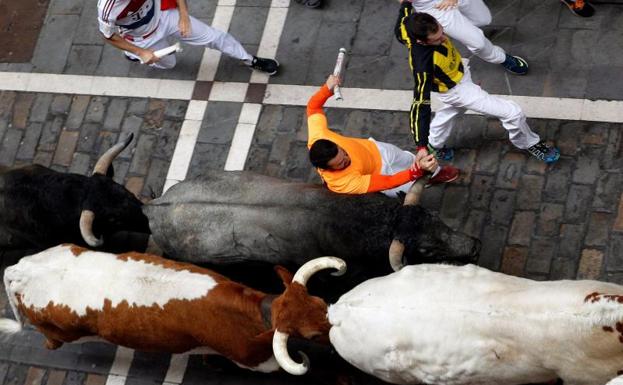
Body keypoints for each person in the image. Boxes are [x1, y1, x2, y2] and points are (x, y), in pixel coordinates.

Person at [395, 2, 560, 164]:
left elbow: (403, 15)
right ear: (422, 42)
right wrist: (420, 145)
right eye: (437, 40)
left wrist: (405, 4)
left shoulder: (408, 26)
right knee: (513, 113)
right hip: (457, 91)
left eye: (442, 30)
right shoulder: (422, 65)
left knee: (451, 111)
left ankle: (434, 145)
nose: (444, 38)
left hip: (459, 72)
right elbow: (420, 104)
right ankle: (530, 143)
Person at [307, 75, 459, 197]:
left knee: (410, 159)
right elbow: (389, 181)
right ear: (329, 169)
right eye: (341, 163)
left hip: (378, 150)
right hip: (381, 174)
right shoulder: (342, 183)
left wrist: (327, 88)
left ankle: (435, 173)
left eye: (344, 153)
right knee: (411, 186)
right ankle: (428, 178)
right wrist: (416, 172)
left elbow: (313, 107)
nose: (347, 159)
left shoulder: (318, 136)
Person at [97, 0, 279, 75]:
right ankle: (132, 54)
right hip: (142, 37)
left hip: (165, 16)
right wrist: (141, 52)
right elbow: (108, 36)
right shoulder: (108, 8)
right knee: (169, 64)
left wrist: (183, 15)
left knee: (215, 37)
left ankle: (249, 60)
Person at [405, 0, 528, 75]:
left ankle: (469, 28)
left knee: (484, 19)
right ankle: (501, 58)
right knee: (478, 43)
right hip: (432, 7)